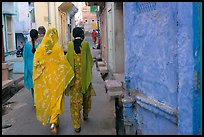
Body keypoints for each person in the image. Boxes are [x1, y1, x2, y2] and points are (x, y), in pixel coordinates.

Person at [33, 28, 74, 135]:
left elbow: (36, 64)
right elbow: (62, 63)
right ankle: (53, 121)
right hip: (57, 81)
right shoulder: (57, 48)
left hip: (46, 81)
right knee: (57, 100)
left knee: (50, 99)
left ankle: (54, 122)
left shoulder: (40, 48)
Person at [66, 27, 96, 133]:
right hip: (84, 79)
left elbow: (67, 62)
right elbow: (90, 61)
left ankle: (77, 125)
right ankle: (86, 115)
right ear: (82, 35)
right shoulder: (86, 45)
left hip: (74, 81)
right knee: (86, 99)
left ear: (73, 35)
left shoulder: (70, 46)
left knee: (75, 103)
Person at [23, 29, 40, 106]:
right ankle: (39, 100)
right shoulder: (39, 45)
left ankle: (35, 101)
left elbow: (24, 56)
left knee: (32, 86)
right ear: (37, 36)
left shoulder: (26, 45)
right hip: (38, 68)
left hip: (30, 68)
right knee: (38, 85)